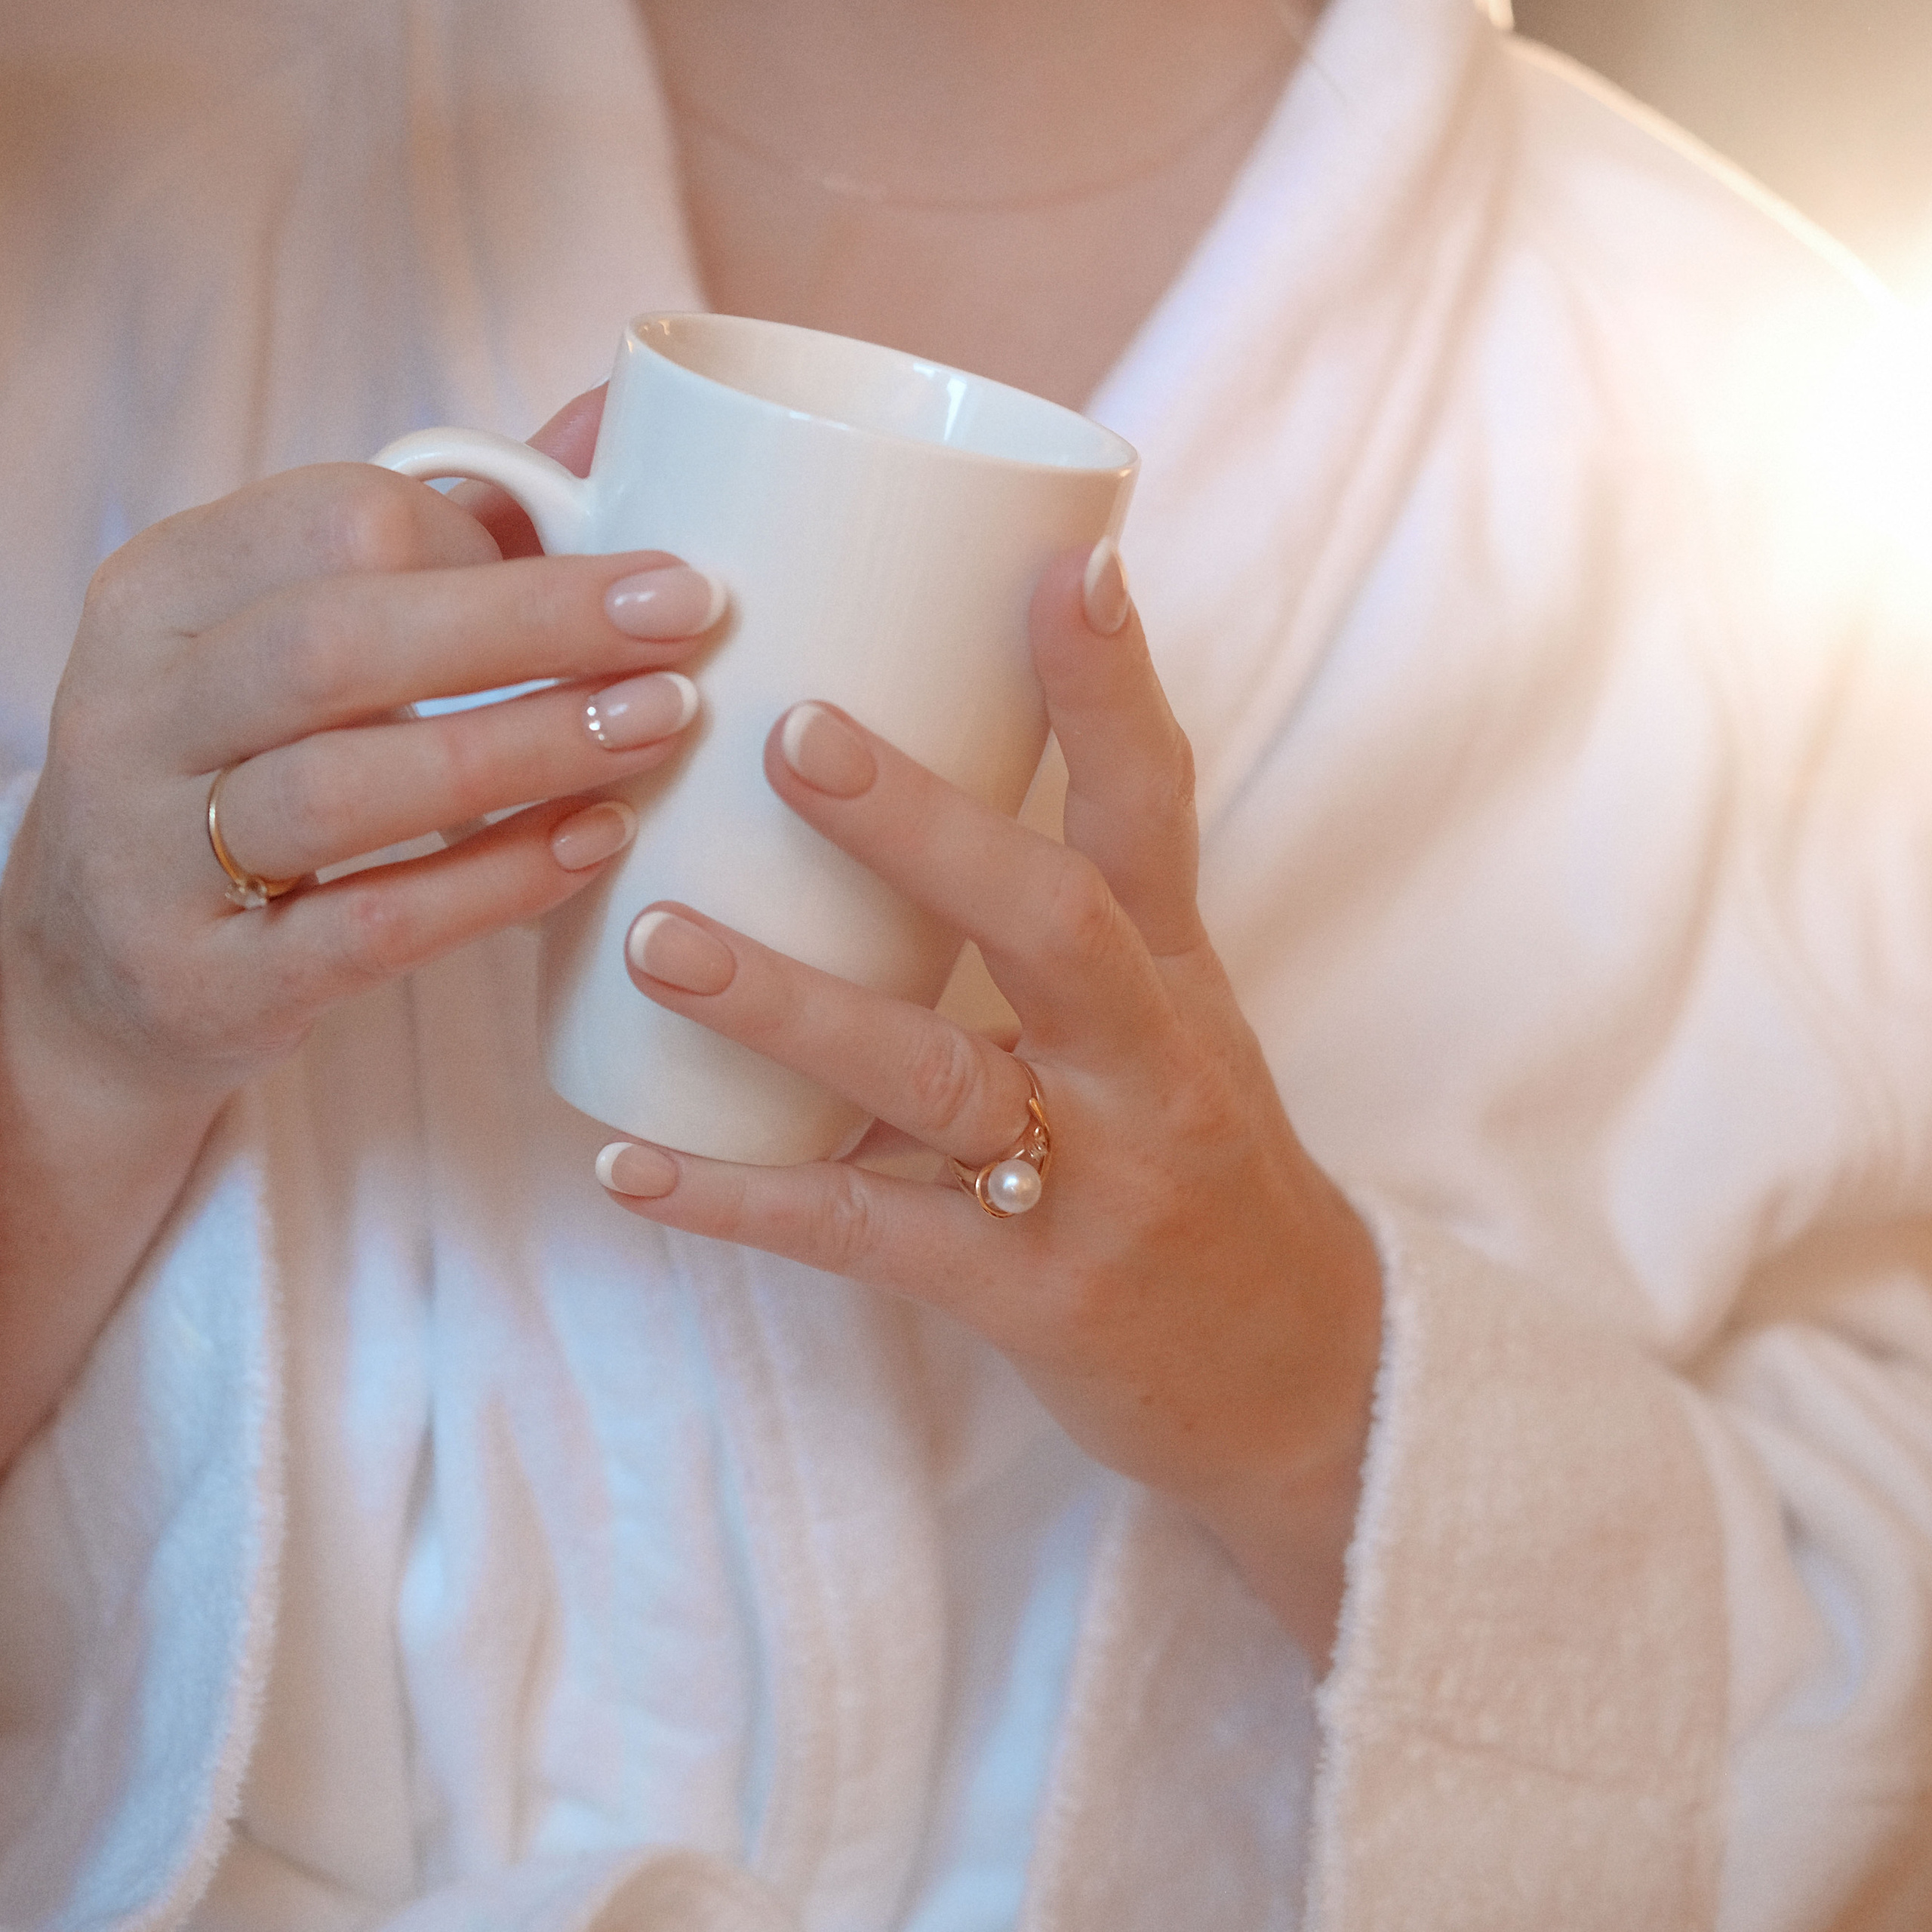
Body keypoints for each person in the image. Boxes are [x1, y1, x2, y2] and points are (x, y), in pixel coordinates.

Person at [2, 0, 1930, 1927]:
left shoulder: (1785, 447)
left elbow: (1877, 1721)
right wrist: (62, 1041)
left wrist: (1311, 1387)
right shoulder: (99, 199)